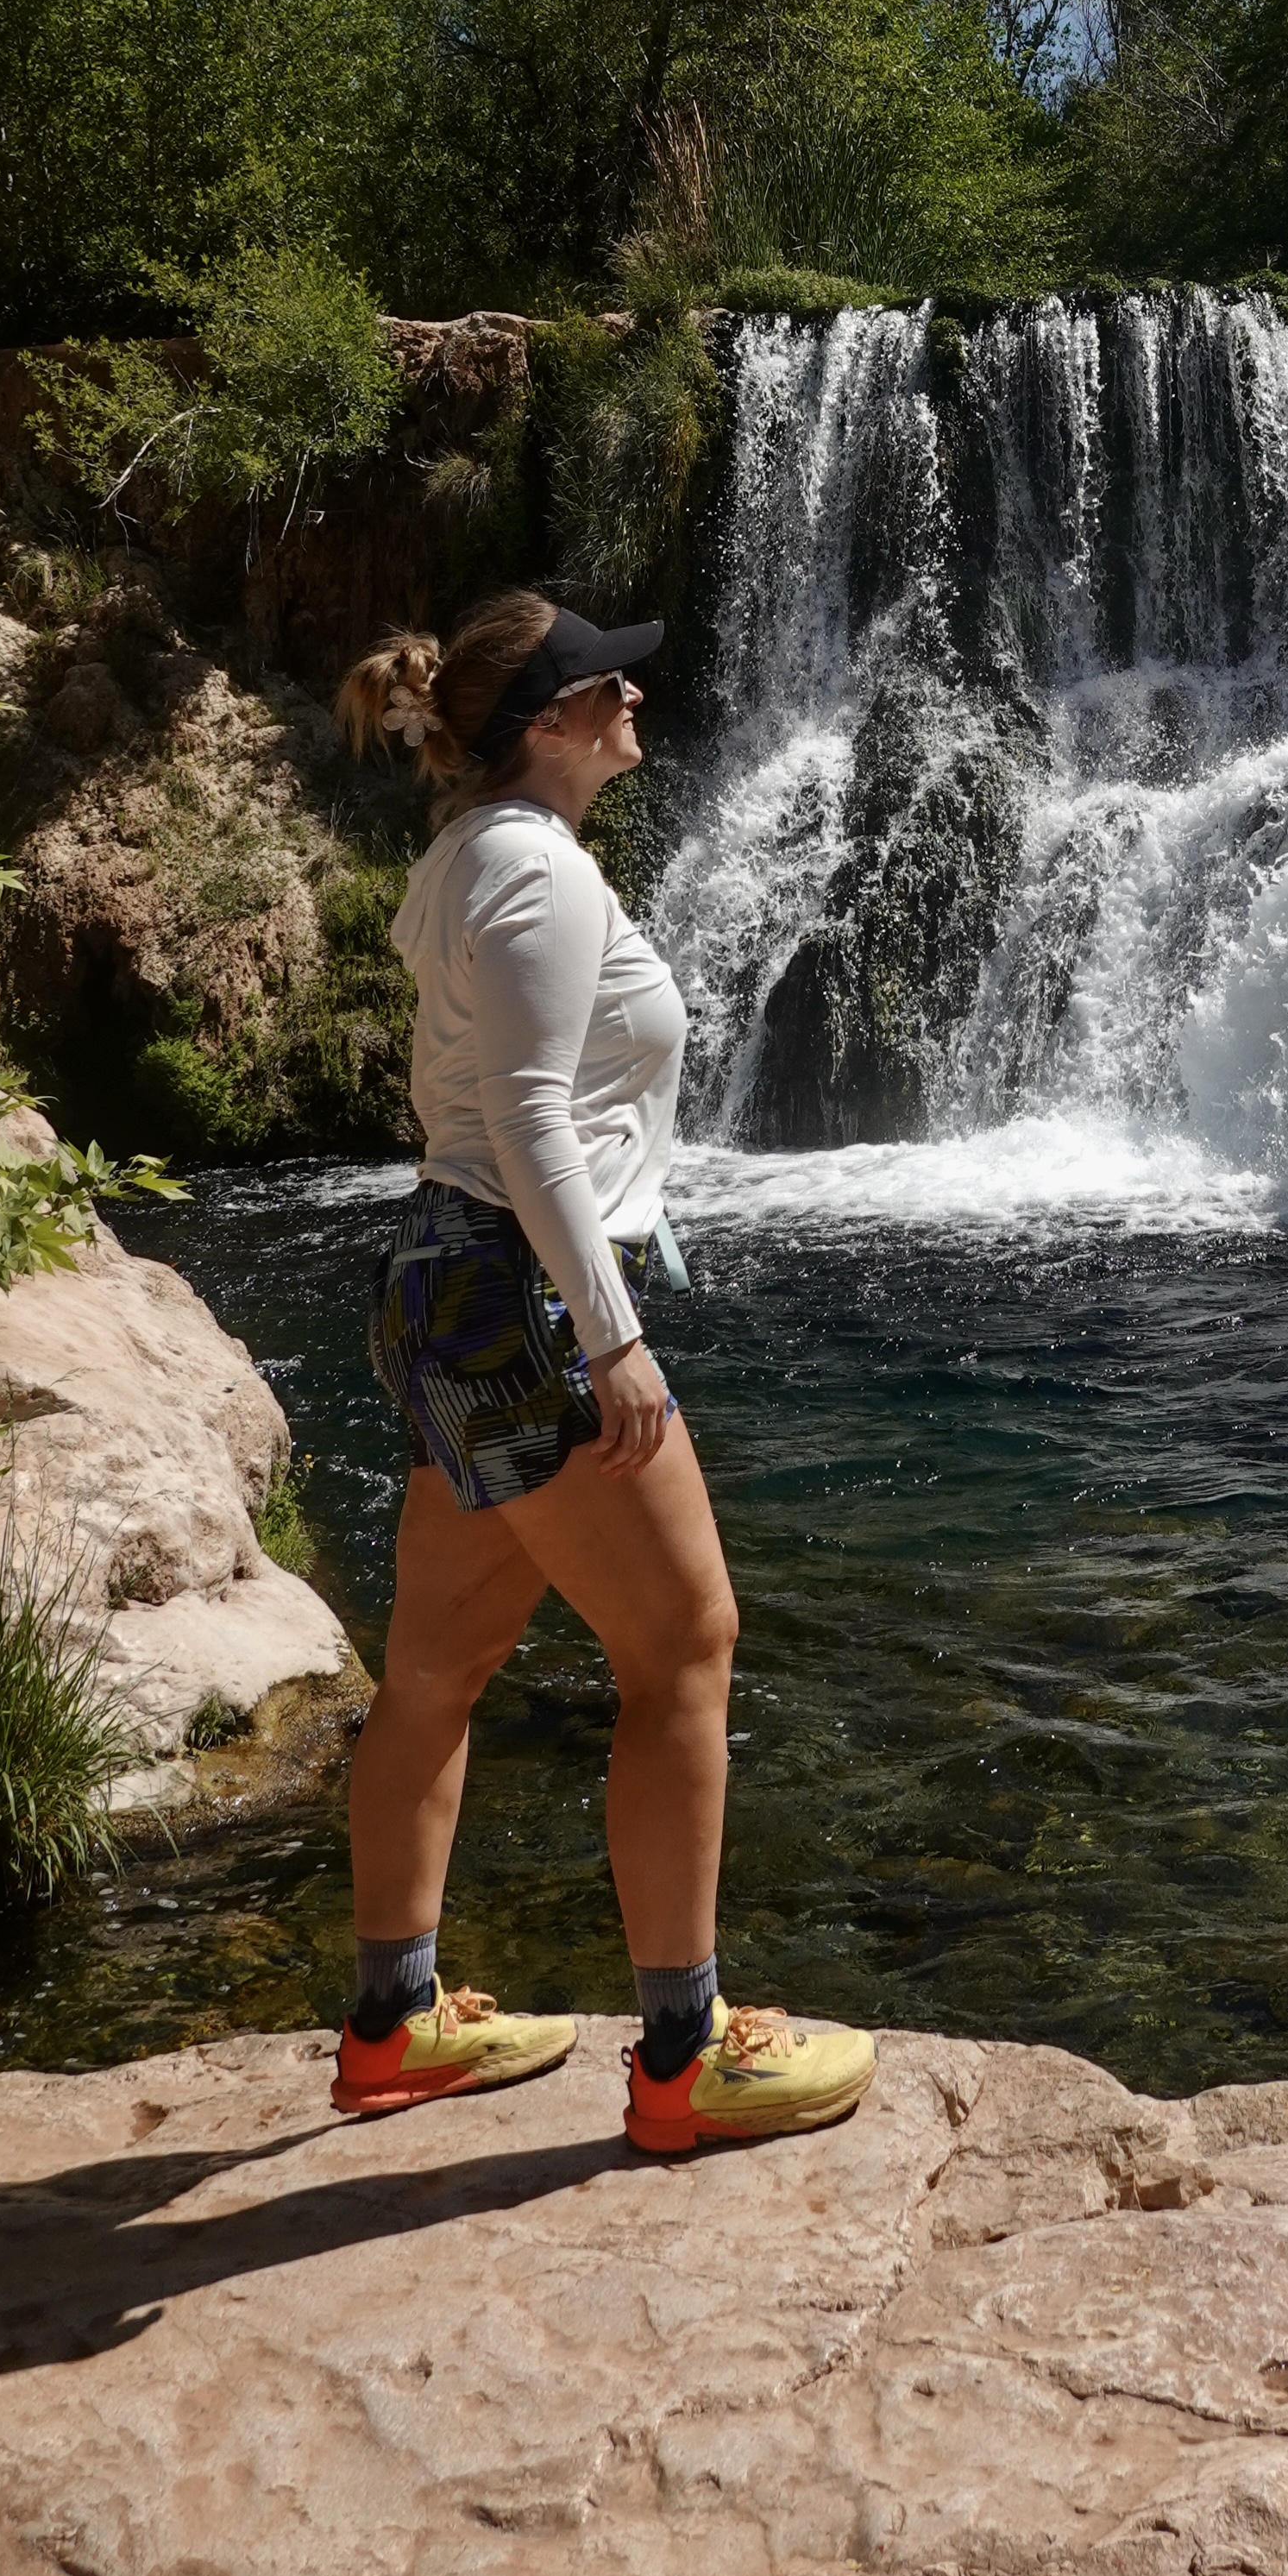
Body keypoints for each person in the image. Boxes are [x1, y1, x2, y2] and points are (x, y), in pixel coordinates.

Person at [326, 583, 874, 2159]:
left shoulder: (477, 859)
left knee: (439, 1662)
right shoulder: (532, 870)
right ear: (547, 724)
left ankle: (392, 2026)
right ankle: (687, 2056)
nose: (636, 702)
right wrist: (612, 1331)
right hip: (517, 1292)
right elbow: (532, 1120)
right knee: (687, 1642)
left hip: (450, 1283)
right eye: (606, 689)